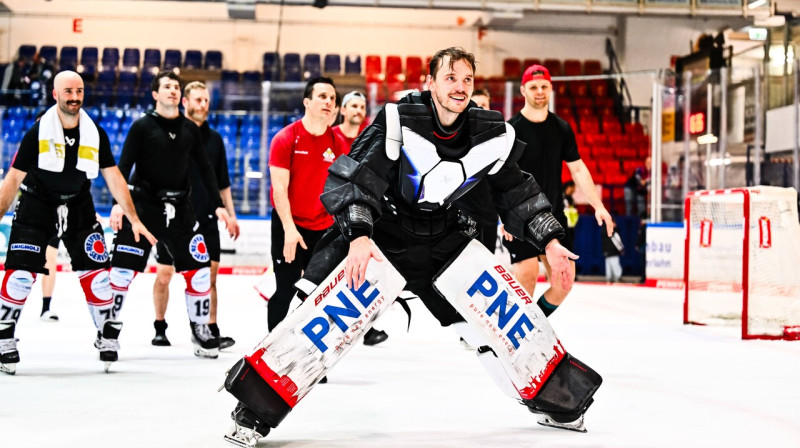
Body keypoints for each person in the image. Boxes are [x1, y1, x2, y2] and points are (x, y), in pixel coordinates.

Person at [224, 47, 598, 444]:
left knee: (504, 326)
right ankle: (253, 412)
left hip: (447, 240)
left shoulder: (490, 131)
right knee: (317, 323)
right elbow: (355, 179)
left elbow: (517, 192)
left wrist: (550, 240)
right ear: (430, 82)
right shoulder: (398, 119)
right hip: (383, 235)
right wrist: (359, 236)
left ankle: (561, 401)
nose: (460, 87)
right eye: (450, 78)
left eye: (467, 79)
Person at [0, 70, 156, 374]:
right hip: (36, 205)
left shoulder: (95, 132)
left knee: (98, 276)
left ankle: (106, 336)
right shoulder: (36, 133)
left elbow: (114, 176)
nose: (74, 97)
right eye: (68, 92)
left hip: (79, 205)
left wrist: (134, 219)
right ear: (55, 95)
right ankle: (4, 338)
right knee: (20, 276)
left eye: (79, 91)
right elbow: (13, 180)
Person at [107, 71, 234, 359]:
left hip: (181, 211)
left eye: (176, 86)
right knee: (121, 273)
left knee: (200, 273)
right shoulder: (142, 127)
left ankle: (200, 331)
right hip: (143, 209)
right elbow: (123, 167)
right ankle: (108, 331)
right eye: (167, 86)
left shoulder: (190, 129)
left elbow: (205, 169)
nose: (173, 90)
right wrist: (118, 204)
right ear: (155, 94)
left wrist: (218, 205)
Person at [501, 64, 612, 316]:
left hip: (553, 216)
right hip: (521, 216)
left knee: (564, 282)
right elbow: (501, 177)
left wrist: (598, 206)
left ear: (551, 88)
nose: (539, 91)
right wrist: (504, 216)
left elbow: (578, 169)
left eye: (544, 86)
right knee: (526, 275)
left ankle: (533, 325)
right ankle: (514, 333)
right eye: (533, 87)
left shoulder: (561, 128)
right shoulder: (512, 130)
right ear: (523, 91)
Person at [150, 81, 240, 349]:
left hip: (207, 217)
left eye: (206, 100)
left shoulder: (215, 140)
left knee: (210, 277)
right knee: (165, 274)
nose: (203, 105)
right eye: (198, 100)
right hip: (172, 218)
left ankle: (210, 329)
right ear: (185, 102)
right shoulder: (171, 135)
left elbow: (223, 183)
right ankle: (160, 327)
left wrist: (231, 215)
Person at [264, 76, 349, 333]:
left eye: (332, 98)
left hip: (323, 228)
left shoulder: (338, 143)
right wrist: (290, 230)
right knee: (286, 288)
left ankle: (307, 350)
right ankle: (273, 349)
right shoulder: (285, 138)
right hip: (289, 225)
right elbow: (279, 189)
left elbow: (343, 191)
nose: (328, 102)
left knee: (317, 294)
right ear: (307, 102)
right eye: (322, 96)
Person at [332, 90, 388, 346]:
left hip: (360, 215)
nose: (358, 110)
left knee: (361, 271)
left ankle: (364, 327)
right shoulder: (331, 137)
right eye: (353, 105)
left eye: (362, 106)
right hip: (334, 215)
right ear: (343, 110)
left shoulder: (371, 139)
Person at [601, 217, 624, 283]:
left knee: (608, 266)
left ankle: (609, 279)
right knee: (615, 264)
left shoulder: (603, 231)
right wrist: (621, 249)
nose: (615, 224)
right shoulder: (613, 232)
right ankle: (617, 278)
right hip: (613, 251)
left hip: (606, 251)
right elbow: (617, 242)